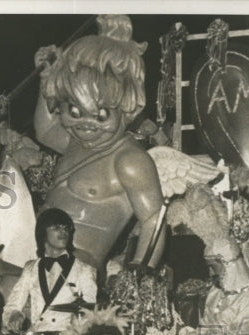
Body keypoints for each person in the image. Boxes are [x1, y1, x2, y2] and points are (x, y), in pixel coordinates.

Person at [33, 14, 165, 274]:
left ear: (127, 107)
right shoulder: (76, 143)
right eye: (74, 111)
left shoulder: (128, 160)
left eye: (101, 115)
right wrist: (45, 81)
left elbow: (153, 221)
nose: (86, 124)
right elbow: (46, 131)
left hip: (79, 270)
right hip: (39, 259)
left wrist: (141, 271)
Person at [3, 208, 98, 333]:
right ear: (43, 233)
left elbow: (90, 312)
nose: (63, 232)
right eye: (56, 228)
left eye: (65, 228)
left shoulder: (85, 270)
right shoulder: (30, 269)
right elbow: (12, 306)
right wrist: (15, 315)